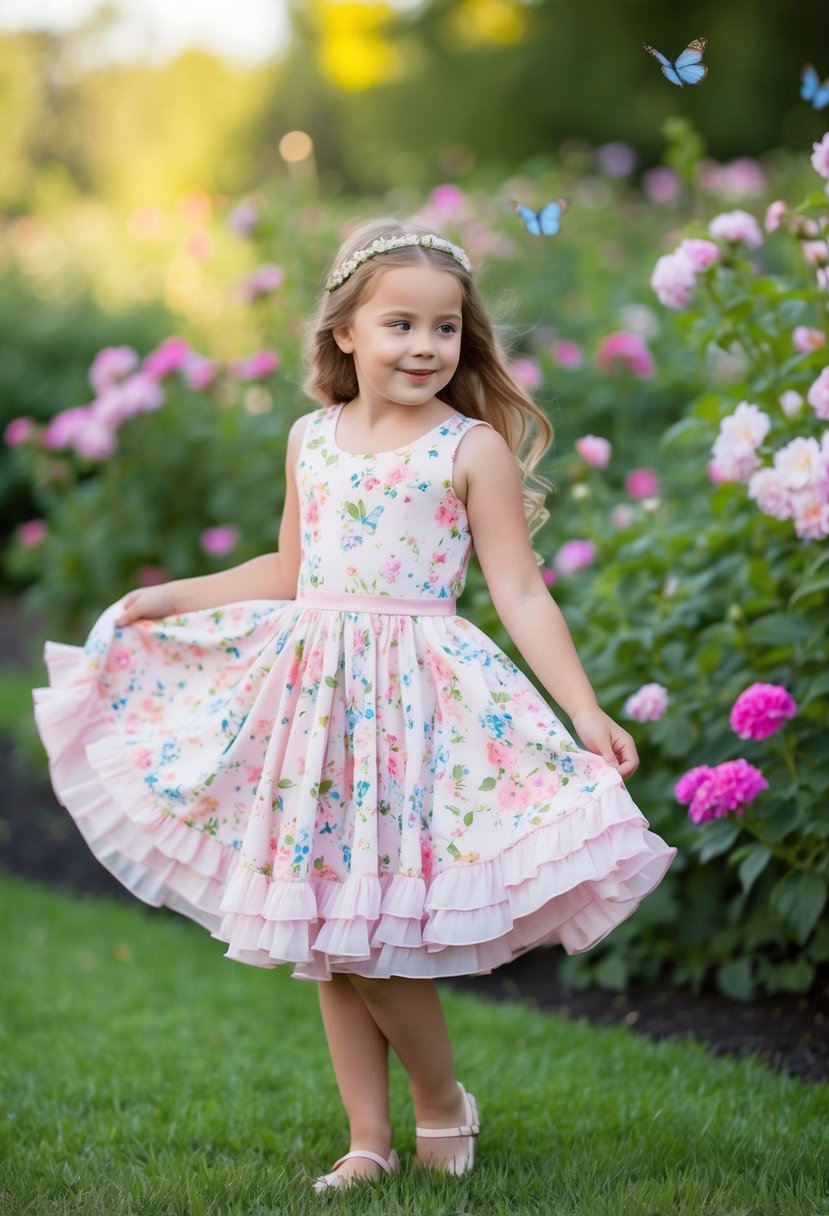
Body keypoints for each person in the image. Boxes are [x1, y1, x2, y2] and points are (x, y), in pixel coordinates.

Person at [33, 218, 676, 1191]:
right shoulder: (310, 440)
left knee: (374, 940)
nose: (425, 346)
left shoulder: (470, 449)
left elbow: (519, 590)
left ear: (467, 340)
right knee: (328, 933)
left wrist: (583, 710)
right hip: (316, 700)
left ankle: (442, 1101)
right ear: (345, 332)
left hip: (415, 706)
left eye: (445, 329)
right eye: (401, 325)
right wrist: (170, 596)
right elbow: (291, 567)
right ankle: (368, 1136)